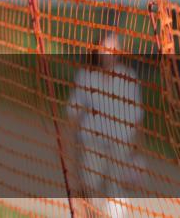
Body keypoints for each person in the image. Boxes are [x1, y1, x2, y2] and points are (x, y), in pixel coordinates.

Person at [67, 31, 143, 218]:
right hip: (92, 143)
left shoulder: (128, 78)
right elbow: (73, 114)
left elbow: (137, 119)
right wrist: (67, 146)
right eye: (105, 48)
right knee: (87, 187)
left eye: (112, 48)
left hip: (120, 145)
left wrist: (137, 155)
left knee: (115, 194)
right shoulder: (86, 75)